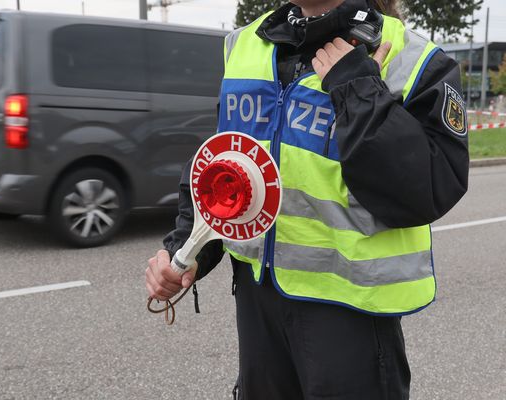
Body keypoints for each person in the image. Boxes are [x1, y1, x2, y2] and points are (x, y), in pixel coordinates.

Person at [146, 0, 469, 398]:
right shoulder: (244, 44)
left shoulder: (415, 58)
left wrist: (358, 90)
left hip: (351, 314)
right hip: (258, 304)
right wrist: (187, 250)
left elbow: (429, 189)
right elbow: (226, 161)